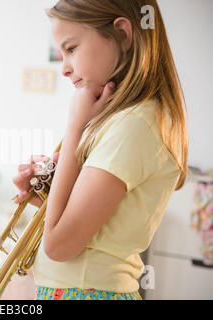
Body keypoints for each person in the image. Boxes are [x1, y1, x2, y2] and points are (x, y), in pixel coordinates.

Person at [12, 0, 188, 300]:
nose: (64, 68)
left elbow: (58, 246)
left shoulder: (135, 125)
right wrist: (47, 198)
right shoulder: (125, 120)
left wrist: (74, 127)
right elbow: (92, 230)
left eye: (71, 49)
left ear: (122, 34)